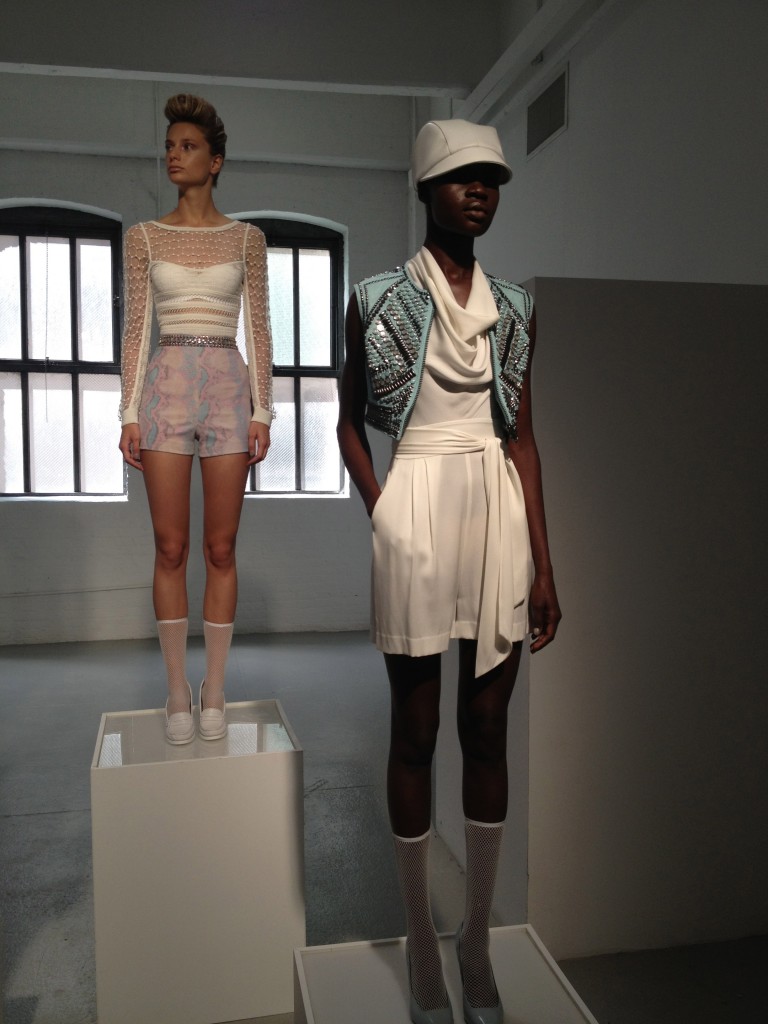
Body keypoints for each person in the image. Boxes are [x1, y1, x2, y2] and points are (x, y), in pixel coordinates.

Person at [337, 120, 561, 1024]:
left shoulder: (515, 307)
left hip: (494, 503)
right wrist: (382, 505)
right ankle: (421, 945)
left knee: (488, 725)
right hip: (418, 500)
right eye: (462, 176)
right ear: (426, 187)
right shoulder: (376, 297)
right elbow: (349, 418)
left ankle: (475, 942)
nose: (479, 191)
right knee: (415, 729)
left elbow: (524, 438)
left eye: (491, 179)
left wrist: (546, 563)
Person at [119, 94, 272, 744]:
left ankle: (215, 686)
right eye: (169, 146)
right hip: (166, 387)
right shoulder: (144, 237)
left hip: (228, 388)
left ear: (215, 161)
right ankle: (178, 688)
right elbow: (136, 329)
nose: (173, 156)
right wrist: (129, 411)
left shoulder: (247, 239)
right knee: (170, 547)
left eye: (187, 146)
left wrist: (263, 408)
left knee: (221, 548)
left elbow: (260, 329)